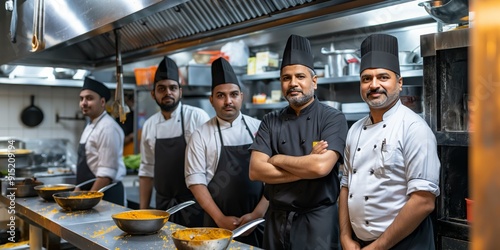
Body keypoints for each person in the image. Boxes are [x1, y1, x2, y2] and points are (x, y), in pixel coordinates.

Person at [338, 34, 440, 250]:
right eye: (366, 78)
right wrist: (346, 237)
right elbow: (346, 186)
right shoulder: (355, 130)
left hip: (406, 243)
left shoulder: (414, 128)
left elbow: (423, 201)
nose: (374, 85)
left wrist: (377, 247)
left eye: (383, 77)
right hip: (359, 244)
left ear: (400, 83)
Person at [249, 34, 348, 249]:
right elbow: (256, 171)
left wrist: (278, 158)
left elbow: (321, 167)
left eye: (300, 76)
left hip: (317, 223)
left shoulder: (333, 118)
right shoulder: (269, 120)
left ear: (314, 80)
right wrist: (306, 167)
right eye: (286, 78)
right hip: (275, 222)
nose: (293, 83)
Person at [185, 57, 268, 247]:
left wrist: (258, 213)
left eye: (233, 94)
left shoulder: (260, 128)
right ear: (211, 100)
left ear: (242, 96)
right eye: (221, 95)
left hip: (260, 222)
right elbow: (196, 182)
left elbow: (273, 179)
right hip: (217, 227)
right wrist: (220, 218)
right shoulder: (200, 134)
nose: (228, 101)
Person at [138, 56, 210, 227]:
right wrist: (142, 212)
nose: (168, 93)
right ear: (153, 93)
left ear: (180, 91)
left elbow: (212, 165)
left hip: (194, 204)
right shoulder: (149, 125)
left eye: (173, 88)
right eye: (161, 89)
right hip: (162, 207)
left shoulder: (197, 117)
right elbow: (146, 171)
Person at [77, 76, 126, 205]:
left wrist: (86, 201)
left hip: (105, 196)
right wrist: (79, 189)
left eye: (89, 98)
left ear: (102, 102)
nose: (84, 103)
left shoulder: (107, 128)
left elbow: (106, 174)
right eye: (81, 99)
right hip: (92, 193)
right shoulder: (91, 125)